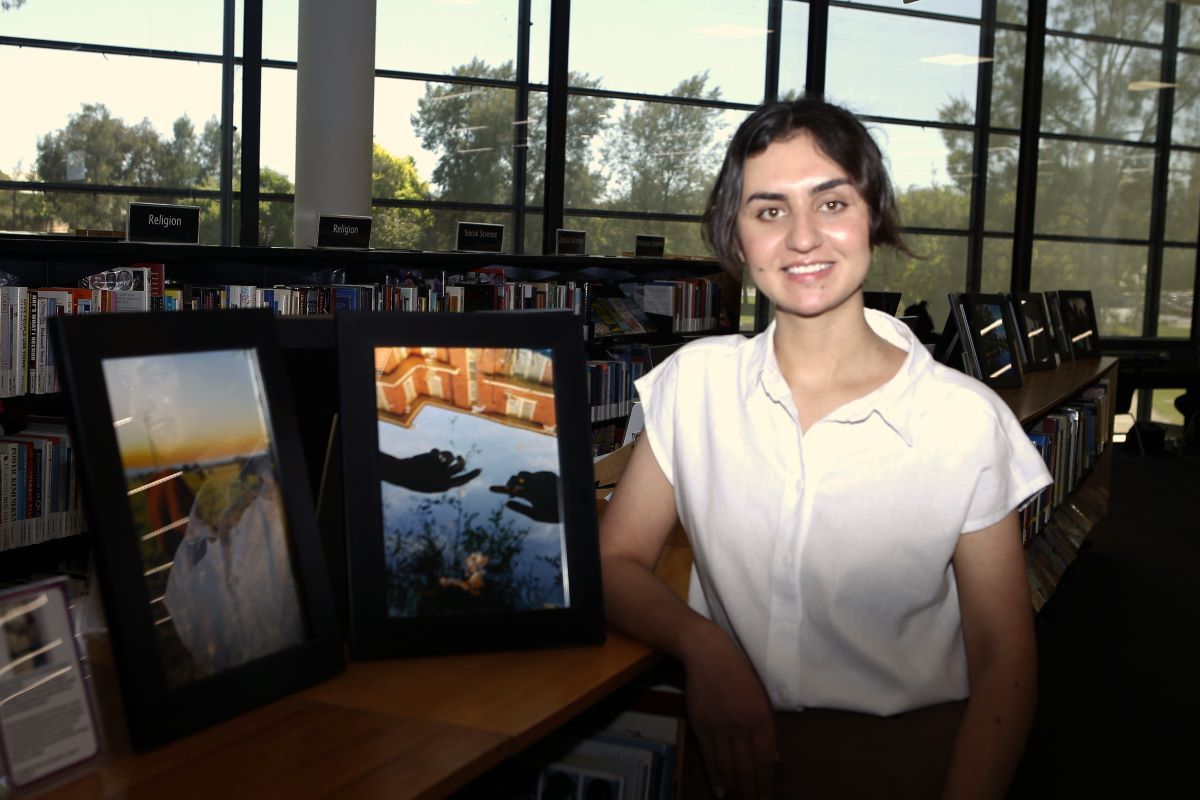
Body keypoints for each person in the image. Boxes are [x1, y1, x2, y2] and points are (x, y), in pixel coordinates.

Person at [599, 98, 1052, 799]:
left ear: (872, 215)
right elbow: (615, 560)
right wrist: (705, 647)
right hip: (726, 761)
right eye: (770, 210)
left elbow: (1005, 663)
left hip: (908, 765)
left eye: (831, 202)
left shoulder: (964, 420)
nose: (803, 238)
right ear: (738, 237)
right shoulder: (695, 386)